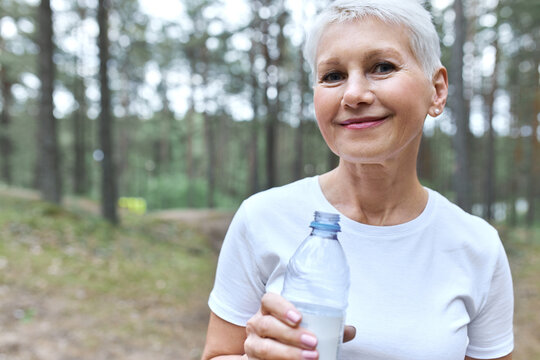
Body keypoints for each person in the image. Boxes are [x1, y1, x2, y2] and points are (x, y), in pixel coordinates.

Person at [201, 0, 514, 359]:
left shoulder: (477, 246)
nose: (353, 95)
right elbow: (217, 354)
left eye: (382, 67)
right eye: (333, 76)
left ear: (437, 90)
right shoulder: (261, 218)